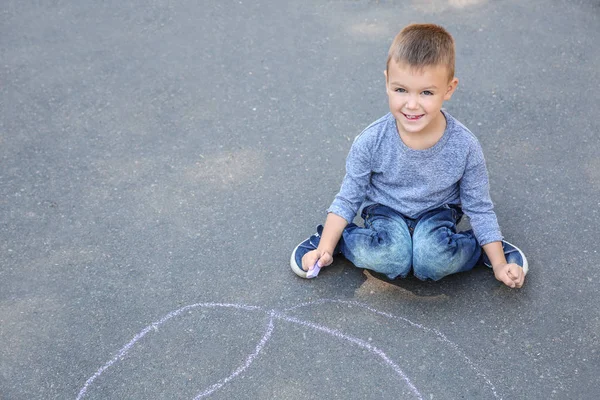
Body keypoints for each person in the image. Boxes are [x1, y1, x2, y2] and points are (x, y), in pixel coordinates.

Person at [290, 23, 528, 288]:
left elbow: (479, 207)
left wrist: (499, 265)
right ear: (387, 83)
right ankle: (332, 241)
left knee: (431, 262)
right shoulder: (371, 141)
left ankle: (487, 249)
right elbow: (349, 197)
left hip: (438, 213)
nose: (412, 104)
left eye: (426, 92)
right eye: (401, 90)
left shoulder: (465, 146)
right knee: (393, 258)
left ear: (449, 89)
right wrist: (325, 248)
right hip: (385, 210)